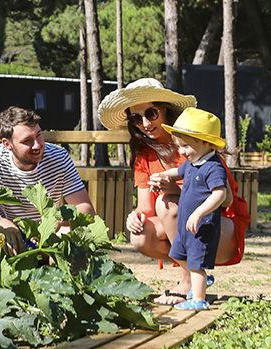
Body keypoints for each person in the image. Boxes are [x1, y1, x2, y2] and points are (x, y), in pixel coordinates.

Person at [97, 78, 250, 305]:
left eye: (151, 113)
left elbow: (225, 200)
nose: (145, 123)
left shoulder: (194, 145)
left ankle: (188, 281)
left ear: (166, 111)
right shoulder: (143, 155)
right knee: (140, 235)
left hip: (219, 227)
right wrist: (135, 215)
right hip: (186, 229)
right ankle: (198, 277)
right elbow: (146, 207)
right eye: (137, 118)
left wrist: (177, 191)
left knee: (166, 202)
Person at [0, 106, 95, 257]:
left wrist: (60, 219)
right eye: (27, 141)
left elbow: (86, 208)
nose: (37, 145)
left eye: (39, 135)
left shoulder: (59, 157)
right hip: (7, 238)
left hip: (47, 236)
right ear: (7, 144)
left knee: (72, 240)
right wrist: (2, 224)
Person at [150, 107, 227, 310]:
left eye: (185, 146)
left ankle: (199, 300)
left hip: (202, 225)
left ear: (205, 142)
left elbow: (220, 194)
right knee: (177, 255)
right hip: (186, 224)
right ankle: (202, 279)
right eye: (179, 146)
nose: (181, 151)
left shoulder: (213, 167)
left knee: (195, 264)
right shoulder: (192, 162)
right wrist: (162, 175)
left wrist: (199, 212)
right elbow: (178, 171)